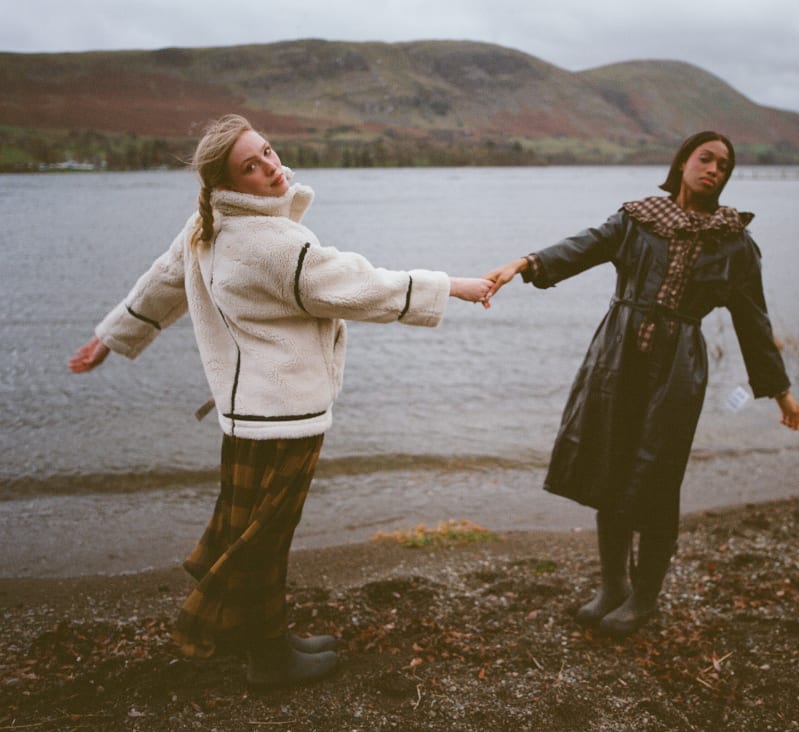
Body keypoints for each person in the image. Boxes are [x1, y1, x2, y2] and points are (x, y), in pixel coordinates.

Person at [69, 114, 492, 688]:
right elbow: (355, 283)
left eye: (267, 152)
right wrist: (451, 286)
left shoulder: (206, 224)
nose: (271, 167)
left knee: (252, 530)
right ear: (228, 183)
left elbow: (162, 280)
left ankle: (258, 636)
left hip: (247, 417)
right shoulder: (272, 243)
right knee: (264, 539)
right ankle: (268, 657)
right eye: (252, 165)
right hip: (286, 417)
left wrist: (111, 338)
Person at [483, 130, 799, 637]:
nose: (714, 169)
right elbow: (584, 245)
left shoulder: (735, 243)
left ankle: (645, 597)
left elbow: (752, 320)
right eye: (705, 158)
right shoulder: (638, 220)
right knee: (611, 464)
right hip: (618, 355)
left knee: (656, 478)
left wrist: (778, 388)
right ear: (683, 163)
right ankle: (614, 586)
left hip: (678, 368)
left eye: (724, 165)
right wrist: (525, 263)